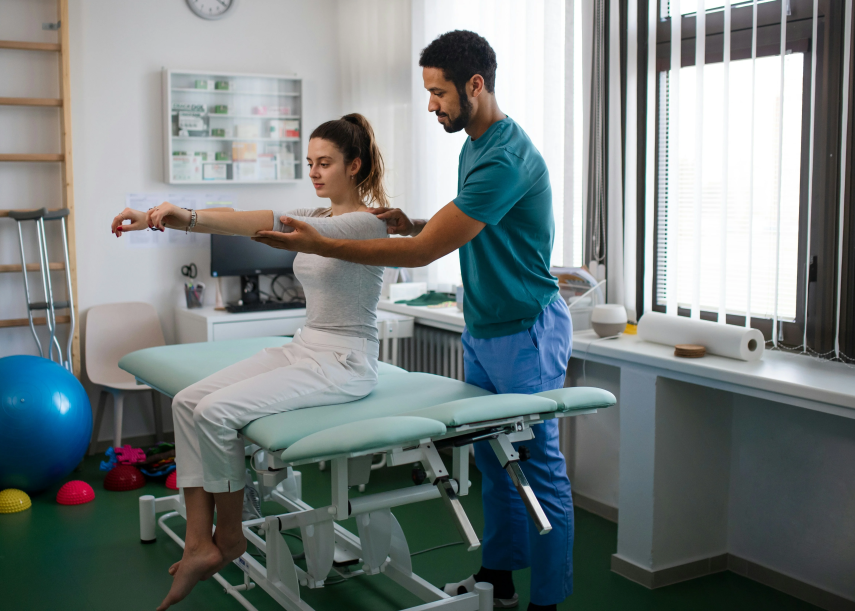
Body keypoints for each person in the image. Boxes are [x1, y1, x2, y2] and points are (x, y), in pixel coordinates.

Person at [255, 30, 573, 611]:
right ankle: (497, 580)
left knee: (535, 467)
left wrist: (330, 242)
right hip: (484, 328)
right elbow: (468, 221)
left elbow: (427, 252)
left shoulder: (505, 155)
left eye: (438, 93)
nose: (431, 105)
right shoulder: (475, 141)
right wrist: (412, 222)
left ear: (475, 85)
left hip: (527, 331)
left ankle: (546, 603)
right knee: (492, 459)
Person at [110, 114, 390, 611]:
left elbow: (275, 225)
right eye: (309, 163)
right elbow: (251, 218)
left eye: (325, 163)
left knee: (218, 413)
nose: (315, 172)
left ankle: (232, 536)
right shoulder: (317, 214)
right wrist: (174, 215)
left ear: (355, 165)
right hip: (307, 345)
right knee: (191, 400)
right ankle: (199, 542)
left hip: (345, 361)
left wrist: (198, 217)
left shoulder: (367, 223)